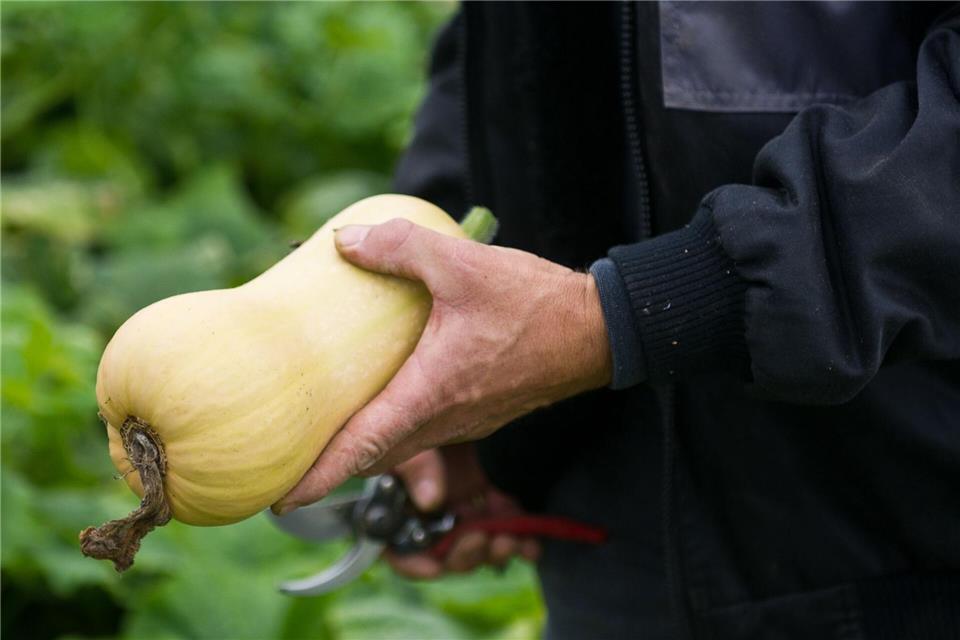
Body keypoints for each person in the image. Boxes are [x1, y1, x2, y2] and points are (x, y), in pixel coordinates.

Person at [276, 3, 960, 638]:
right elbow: (512, 46)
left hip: (894, 531)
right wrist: (427, 315)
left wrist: (628, 312)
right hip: (611, 524)